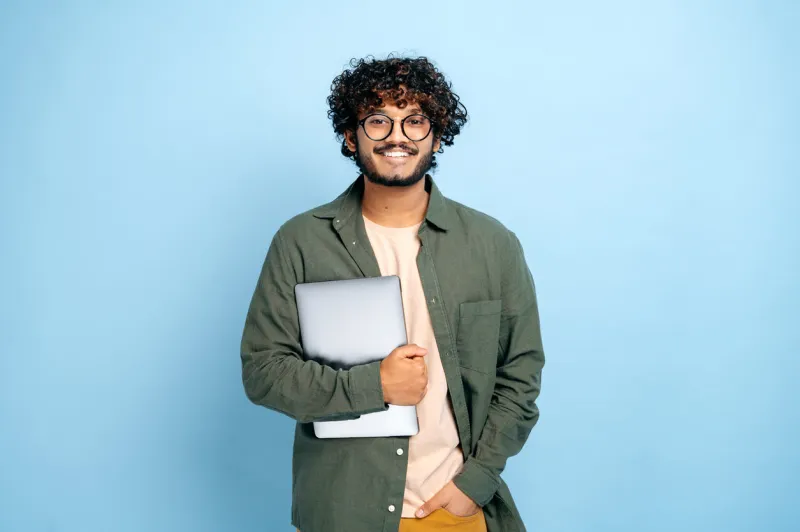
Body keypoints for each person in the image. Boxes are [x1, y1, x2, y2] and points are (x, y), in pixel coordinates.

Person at [240, 55, 545, 532]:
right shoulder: (301, 241)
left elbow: (520, 375)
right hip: (343, 512)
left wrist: (476, 482)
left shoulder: (493, 244)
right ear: (351, 135)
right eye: (378, 120)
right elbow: (263, 372)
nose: (397, 136)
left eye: (415, 121)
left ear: (436, 136)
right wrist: (374, 386)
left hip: (452, 510)